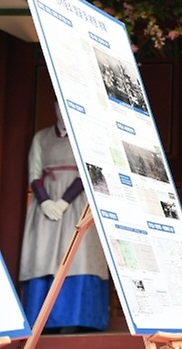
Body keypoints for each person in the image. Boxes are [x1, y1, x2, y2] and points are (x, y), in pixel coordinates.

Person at [19, 102, 110, 332]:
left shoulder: (87, 138)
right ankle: (40, 318)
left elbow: (90, 171)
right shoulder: (41, 138)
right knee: (43, 255)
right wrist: (46, 201)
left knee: (80, 255)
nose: (62, 111)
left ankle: (78, 318)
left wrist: (64, 201)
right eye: (58, 106)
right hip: (46, 204)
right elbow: (34, 171)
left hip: (78, 203)